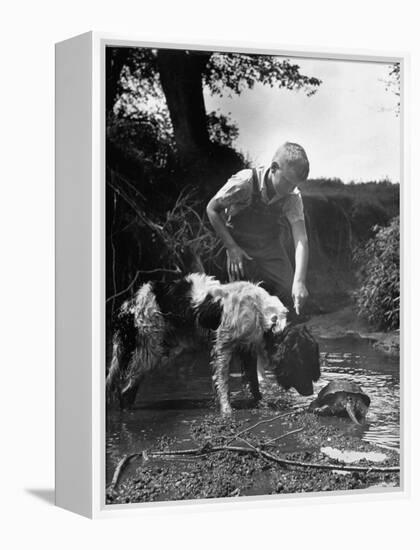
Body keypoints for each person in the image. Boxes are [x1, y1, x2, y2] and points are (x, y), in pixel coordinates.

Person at [206, 141, 310, 318]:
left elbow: (301, 239)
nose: (290, 189)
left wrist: (299, 281)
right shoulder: (245, 182)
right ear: (274, 167)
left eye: (294, 185)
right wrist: (231, 247)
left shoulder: (292, 196)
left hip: (270, 246)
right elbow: (212, 209)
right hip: (240, 245)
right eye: (286, 181)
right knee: (241, 299)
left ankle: (278, 335)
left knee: (288, 291)